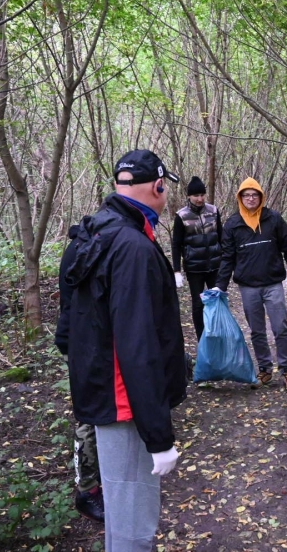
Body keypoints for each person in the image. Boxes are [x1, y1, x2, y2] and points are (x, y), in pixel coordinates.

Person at [66, 149, 187, 551]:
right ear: (159, 186)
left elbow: (67, 328)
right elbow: (138, 346)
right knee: (134, 525)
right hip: (125, 405)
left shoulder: (94, 232)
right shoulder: (132, 247)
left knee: (122, 517)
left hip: (104, 395)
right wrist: (158, 436)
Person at [214, 177, 287, 392]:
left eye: (255, 195)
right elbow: (227, 257)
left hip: (273, 283)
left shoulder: (273, 219)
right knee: (256, 330)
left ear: (261, 197)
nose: (251, 198)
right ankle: (265, 369)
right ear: (240, 198)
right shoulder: (233, 224)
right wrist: (220, 285)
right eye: (246, 195)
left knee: (280, 327)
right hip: (248, 286)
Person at [55, 217, 103, 523]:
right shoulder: (83, 249)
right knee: (89, 417)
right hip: (80, 341)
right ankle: (87, 490)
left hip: (86, 340)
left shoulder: (86, 244)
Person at [171, 176, 223, 341]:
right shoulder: (182, 216)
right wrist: (177, 271)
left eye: (202, 195)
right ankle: (202, 339)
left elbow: (221, 237)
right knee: (198, 304)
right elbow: (176, 244)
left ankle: (218, 334)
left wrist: (227, 261)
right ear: (189, 196)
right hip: (194, 268)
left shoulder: (213, 211)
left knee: (217, 302)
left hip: (215, 265)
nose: (200, 199)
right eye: (196, 195)